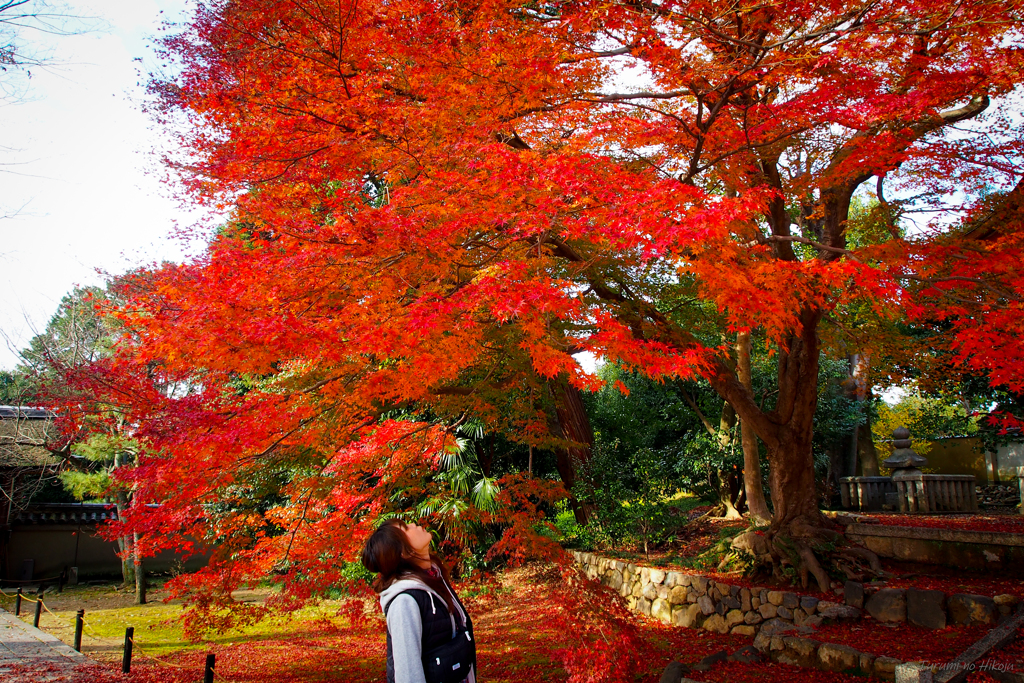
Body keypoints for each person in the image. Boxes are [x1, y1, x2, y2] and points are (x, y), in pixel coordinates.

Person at [361, 519, 476, 683]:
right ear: (403, 552)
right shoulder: (404, 601)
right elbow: (408, 675)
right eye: (406, 528)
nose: (414, 525)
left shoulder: (433, 578)